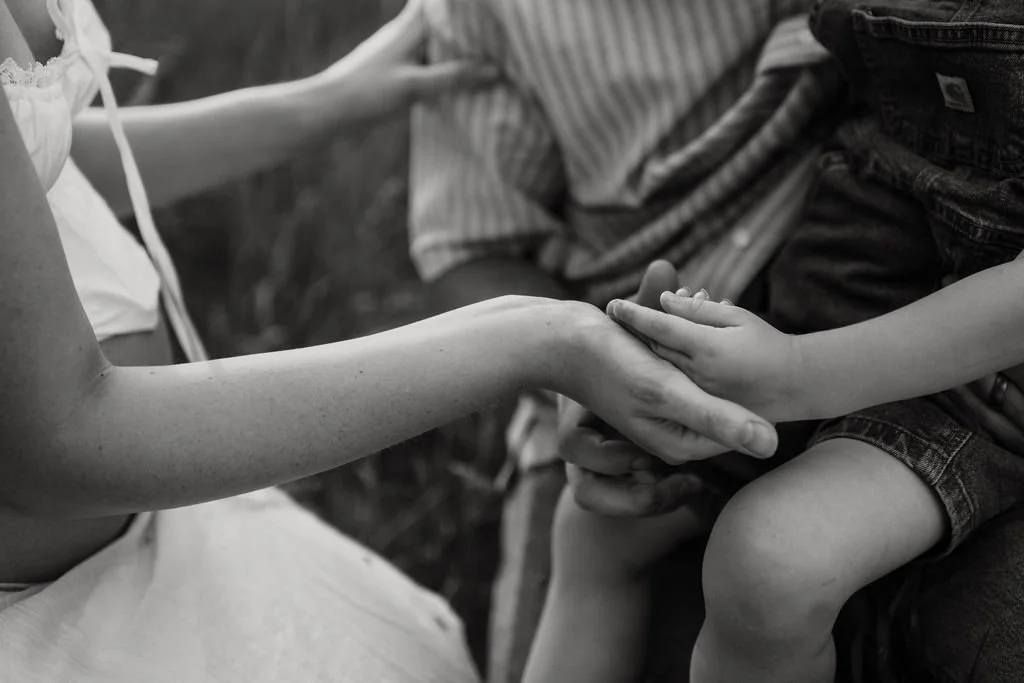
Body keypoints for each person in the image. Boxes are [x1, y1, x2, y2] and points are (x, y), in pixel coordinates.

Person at [0, 0, 778, 680]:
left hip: (158, 519)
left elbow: (41, 158)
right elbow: (63, 438)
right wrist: (541, 338)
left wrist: (322, 104)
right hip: (53, 602)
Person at [526, 1, 1024, 681]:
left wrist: (797, 370)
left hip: (974, 359)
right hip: (833, 277)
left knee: (769, 560)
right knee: (604, 517)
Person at [408, 1, 843, 677]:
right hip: (611, 402)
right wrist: (586, 364)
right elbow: (468, 248)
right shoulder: (481, 14)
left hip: (868, 309)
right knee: (588, 556)